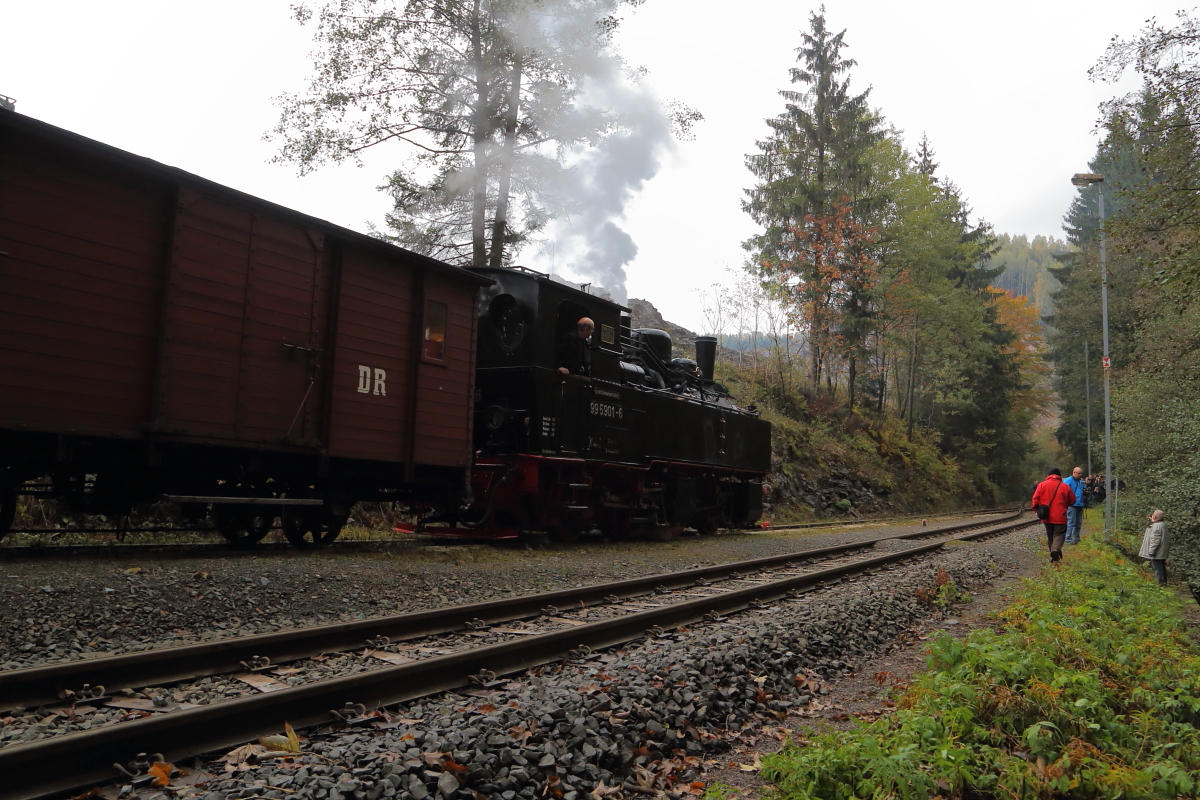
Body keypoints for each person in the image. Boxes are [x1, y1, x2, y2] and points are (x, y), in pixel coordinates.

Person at [1031, 468, 1076, 566]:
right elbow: (1072, 500)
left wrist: (1037, 511)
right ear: (1059, 475)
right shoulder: (1065, 486)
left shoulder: (1042, 485)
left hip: (1046, 515)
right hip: (1060, 515)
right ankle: (1055, 550)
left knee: (1050, 535)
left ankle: (1053, 556)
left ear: (1049, 475)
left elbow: (1035, 500)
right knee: (1059, 534)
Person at [1139, 509, 1170, 585]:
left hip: (1157, 552)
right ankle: (1164, 583)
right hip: (1162, 551)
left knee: (1158, 568)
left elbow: (1155, 540)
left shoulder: (1156, 526)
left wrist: (1151, 551)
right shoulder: (1163, 524)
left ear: (1155, 517)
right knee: (1162, 567)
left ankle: (1161, 584)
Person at [1063, 467, 1086, 544]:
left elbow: (1083, 490)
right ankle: (1068, 538)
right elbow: (1064, 492)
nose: (1080, 475)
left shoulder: (1080, 482)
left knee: (1078, 522)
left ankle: (1076, 538)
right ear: (1074, 473)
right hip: (1072, 504)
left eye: (1081, 473)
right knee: (1071, 522)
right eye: (1079, 473)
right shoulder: (1068, 481)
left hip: (1080, 504)